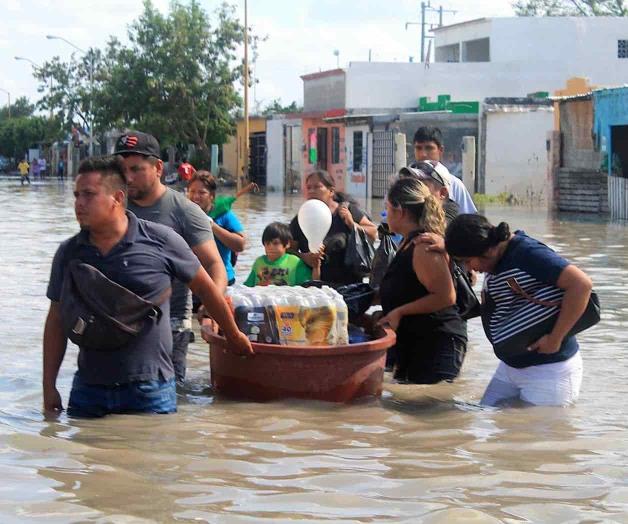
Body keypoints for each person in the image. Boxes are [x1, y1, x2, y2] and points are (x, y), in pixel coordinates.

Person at [42, 156, 252, 417]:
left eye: (88, 195)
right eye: (76, 196)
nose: (79, 204)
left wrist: (233, 337)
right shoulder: (69, 253)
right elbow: (56, 319)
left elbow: (206, 289)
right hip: (89, 389)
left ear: (117, 198)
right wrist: (48, 386)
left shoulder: (161, 240)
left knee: (154, 454)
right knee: (87, 456)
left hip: (150, 388)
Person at [445, 214, 593, 407]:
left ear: (485, 251)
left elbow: (582, 284)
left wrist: (555, 338)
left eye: (466, 261)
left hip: (549, 370)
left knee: (534, 435)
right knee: (492, 420)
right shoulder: (498, 254)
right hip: (512, 366)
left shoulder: (527, 253)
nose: (467, 268)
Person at [114, 131, 228, 383]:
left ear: (157, 168)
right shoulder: (113, 208)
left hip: (171, 321)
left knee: (170, 395)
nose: (128, 178)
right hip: (121, 320)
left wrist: (212, 306)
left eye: (136, 169)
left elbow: (213, 265)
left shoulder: (184, 211)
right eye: (122, 170)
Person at [377, 177, 467, 384]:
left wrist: (399, 311)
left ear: (400, 211)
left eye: (387, 208)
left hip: (438, 341)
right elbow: (408, 288)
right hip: (415, 339)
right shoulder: (407, 243)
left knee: (431, 411)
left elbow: (445, 297)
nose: (385, 215)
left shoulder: (424, 246)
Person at [290, 170, 376, 286]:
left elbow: (373, 233)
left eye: (317, 187)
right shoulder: (301, 218)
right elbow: (288, 250)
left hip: (348, 285)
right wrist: (304, 257)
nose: (311, 191)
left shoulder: (345, 211)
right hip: (314, 289)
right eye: (309, 187)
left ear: (331, 191)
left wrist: (351, 224)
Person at [188, 171, 245, 286]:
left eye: (202, 192)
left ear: (212, 196)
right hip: (193, 280)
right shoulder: (183, 215)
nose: (195, 197)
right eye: (192, 191)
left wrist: (212, 226)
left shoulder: (224, 215)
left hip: (222, 281)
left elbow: (240, 244)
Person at [411, 126, 477, 214]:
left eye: (429, 148)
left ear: (440, 150)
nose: (423, 154)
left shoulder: (454, 185)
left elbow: (469, 220)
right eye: (418, 148)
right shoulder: (403, 180)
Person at [244, 222, 319, 286]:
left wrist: (316, 268)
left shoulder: (295, 263)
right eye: (267, 243)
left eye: (275, 243)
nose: (271, 247)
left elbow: (310, 287)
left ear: (287, 244)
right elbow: (247, 287)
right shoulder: (259, 263)